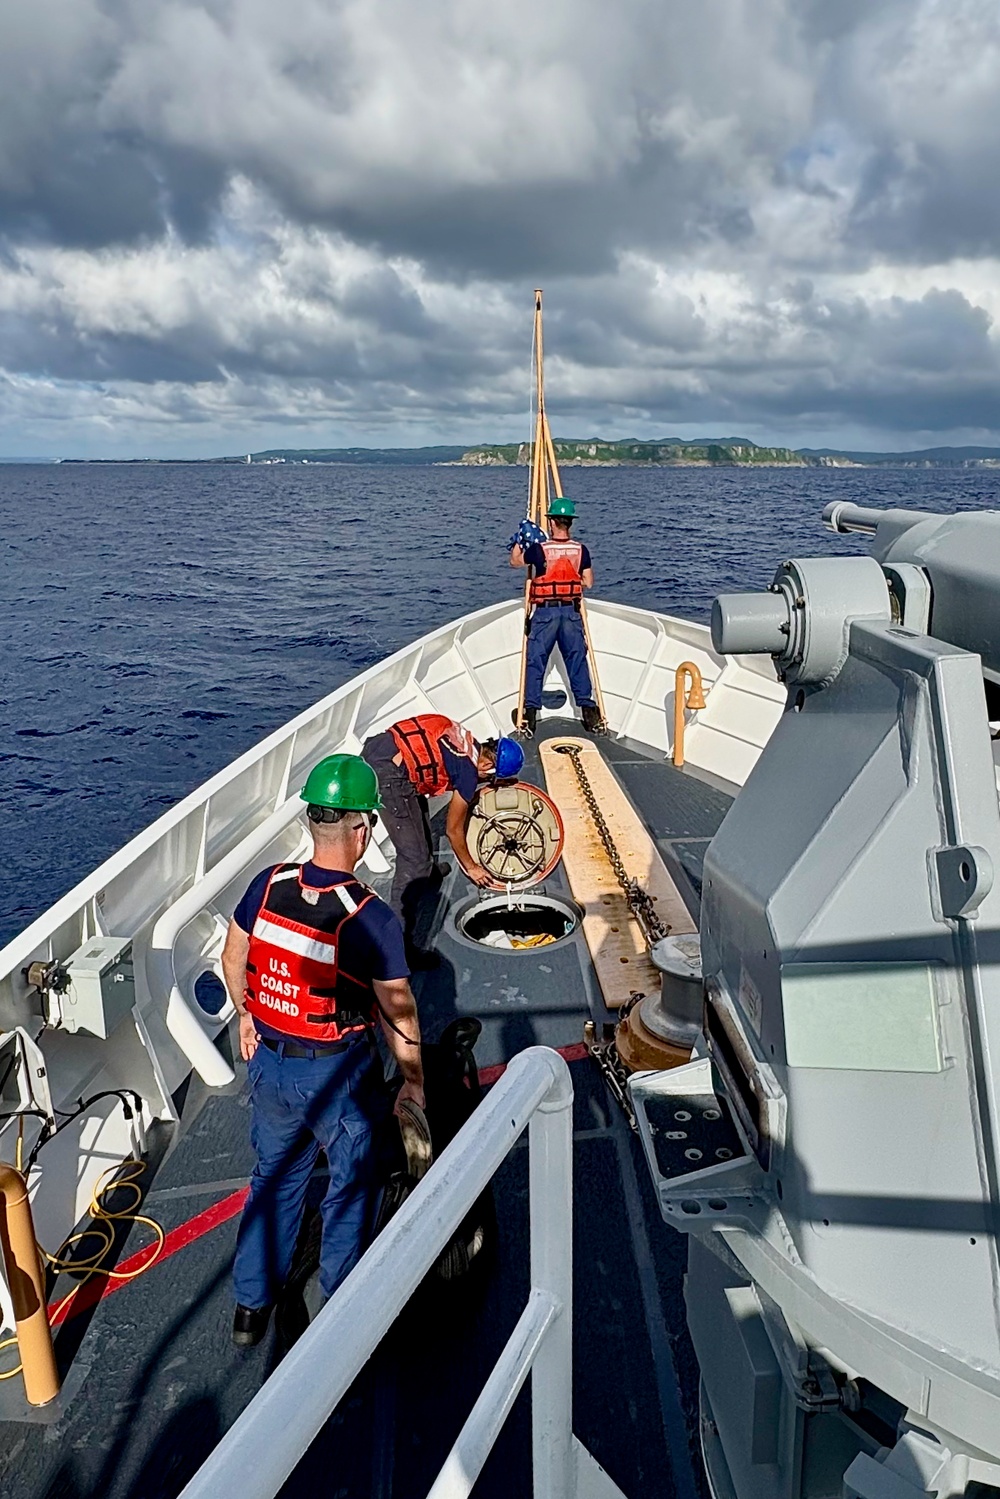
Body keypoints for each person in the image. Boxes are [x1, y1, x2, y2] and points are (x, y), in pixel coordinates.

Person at [221, 753, 425, 1348]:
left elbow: (235, 958)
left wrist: (247, 1015)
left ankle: (249, 1309)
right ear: (361, 829)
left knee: (275, 1179)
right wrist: (412, 1082)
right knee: (349, 1187)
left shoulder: (268, 885)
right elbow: (398, 1012)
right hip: (335, 1077)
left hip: (270, 1068)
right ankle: (341, 1320)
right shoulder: (370, 918)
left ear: (313, 824)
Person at [362, 717, 524, 961]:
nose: (487, 781)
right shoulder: (469, 772)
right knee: (413, 860)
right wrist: (472, 867)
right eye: (491, 778)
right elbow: (453, 829)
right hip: (388, 772)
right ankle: (399, 948)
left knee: (422, 827)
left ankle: (430, 871)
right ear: (487, 766)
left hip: (385, 750)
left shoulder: (468, 742)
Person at [509, 495, 604, 736]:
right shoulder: (581, 550)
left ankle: (529, 714)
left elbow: (515, 562)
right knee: (577, 661)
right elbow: (588, 582)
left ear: (551, 522)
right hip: (571, 614)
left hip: (546, 614)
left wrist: (520, 540)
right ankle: (589, 712)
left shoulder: (540, 550)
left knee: (535, 661)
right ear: (570, 522)